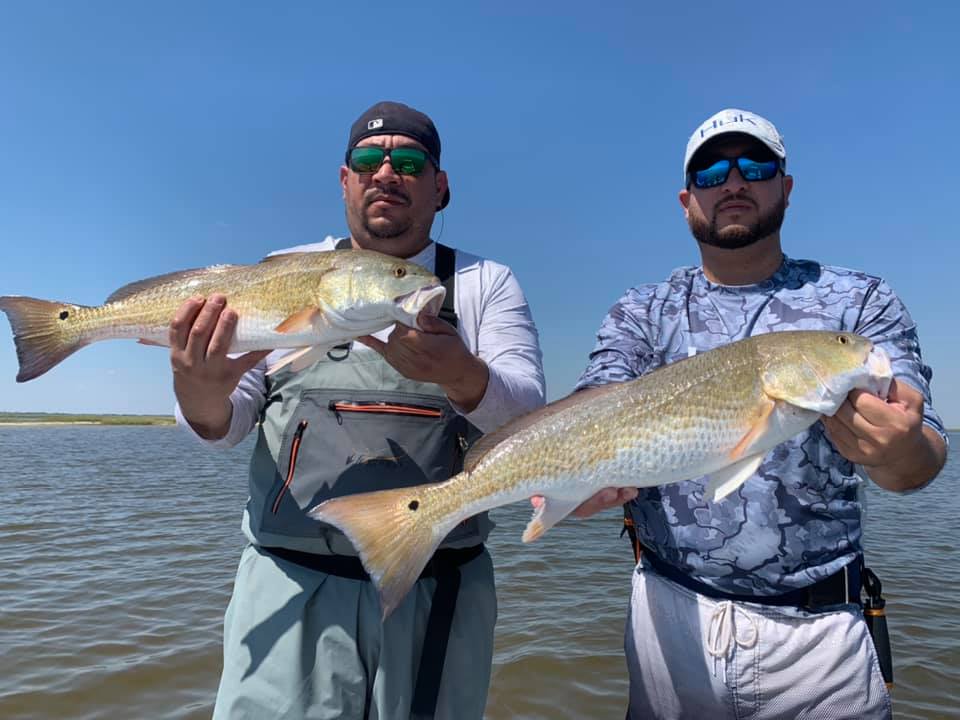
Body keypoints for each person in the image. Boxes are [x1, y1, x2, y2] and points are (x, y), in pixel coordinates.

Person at [170, 101, 545, 720]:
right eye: (368, 160)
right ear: (345, 180)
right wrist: (199, 391)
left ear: (440, 185)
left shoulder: (484, 284)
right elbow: (225, 423)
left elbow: (529, 424)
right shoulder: (281, 271)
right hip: (289, 585)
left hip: (439, 585)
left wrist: (459, 372)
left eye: (410, 162)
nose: (386, 173)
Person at [574, 108, 948, 719]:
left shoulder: (859, 301)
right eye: (710, 171)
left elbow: (918, 460)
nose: (733, 182)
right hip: (669, 616)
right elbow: (596, 405)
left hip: (822, 634)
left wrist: (903, 449)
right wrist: (582, 475)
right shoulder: (641, 310)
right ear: (686, 198)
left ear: (787, 186)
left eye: (755, 165)